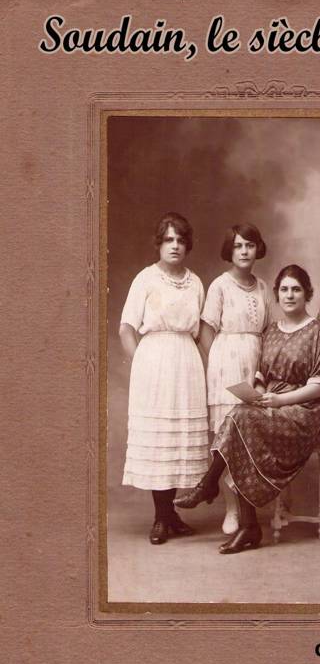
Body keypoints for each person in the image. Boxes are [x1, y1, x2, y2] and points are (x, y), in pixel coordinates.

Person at [175, 265, 320, 554]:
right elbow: (261, 376)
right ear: (277, 295)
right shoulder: (271, 331)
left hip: (301, 412)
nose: (289, 295)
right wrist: (258, 395)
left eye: (296, 289)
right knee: (242, 416)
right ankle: (246, 524)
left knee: (241, 419)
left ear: (307, 294)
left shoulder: (318, 332)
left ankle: (212, 488)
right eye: (284, 290)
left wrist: (280, 401)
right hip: (270, 407)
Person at [119, 212, 209, 544]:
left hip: (186, 361)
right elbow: (126, 328)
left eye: (181, 240)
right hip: (154, 361)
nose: (175, 246)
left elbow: (201, 332)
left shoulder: (195, 282)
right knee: (159, 438)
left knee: (177, 439)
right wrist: (140, 363)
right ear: (159, 243)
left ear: (188, 245)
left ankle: (170, 514)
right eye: (169, 239)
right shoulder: (145, 279)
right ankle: (161, 517)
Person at [199, 224, 272, 535]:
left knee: (249, 438)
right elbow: (206, 333)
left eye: (250, 245)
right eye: (239, 245)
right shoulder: (220, 286)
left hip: (254, 363)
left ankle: (247, 508)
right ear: (230, 250)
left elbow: (267, 332)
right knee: (226, 437)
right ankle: (231, 510)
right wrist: (220, 367)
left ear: (258, 249)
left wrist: (260, 372)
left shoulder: (263, 287)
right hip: (225, 365)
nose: (244, 251)